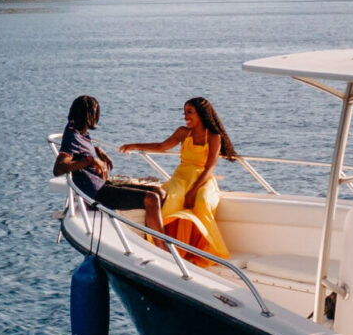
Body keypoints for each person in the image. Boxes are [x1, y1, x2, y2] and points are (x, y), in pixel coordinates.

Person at [121, 96, 236, 259]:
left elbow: (210, 166)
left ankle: (202, 250)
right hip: (181, 177)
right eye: (184, 112)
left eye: (189, 112)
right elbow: (161, 146)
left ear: (201, 114)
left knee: (202, 202)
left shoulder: (213, 136)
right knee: (172, 200)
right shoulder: (183, 132)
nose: (185, 116)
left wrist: (193, 191)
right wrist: (133, 145)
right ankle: (165, 247)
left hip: (202, 179)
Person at [55, 96, 163, 233]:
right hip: (97, 194)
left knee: (158, 191)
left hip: (103, 184)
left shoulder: (81, 133)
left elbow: (81, 150)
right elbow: (59, 168)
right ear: (88, 114)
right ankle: (164, 248)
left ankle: (153, 237)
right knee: (152, 199)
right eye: (95, 113)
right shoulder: (73, 136)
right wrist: (91, 160)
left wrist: (97, 150)